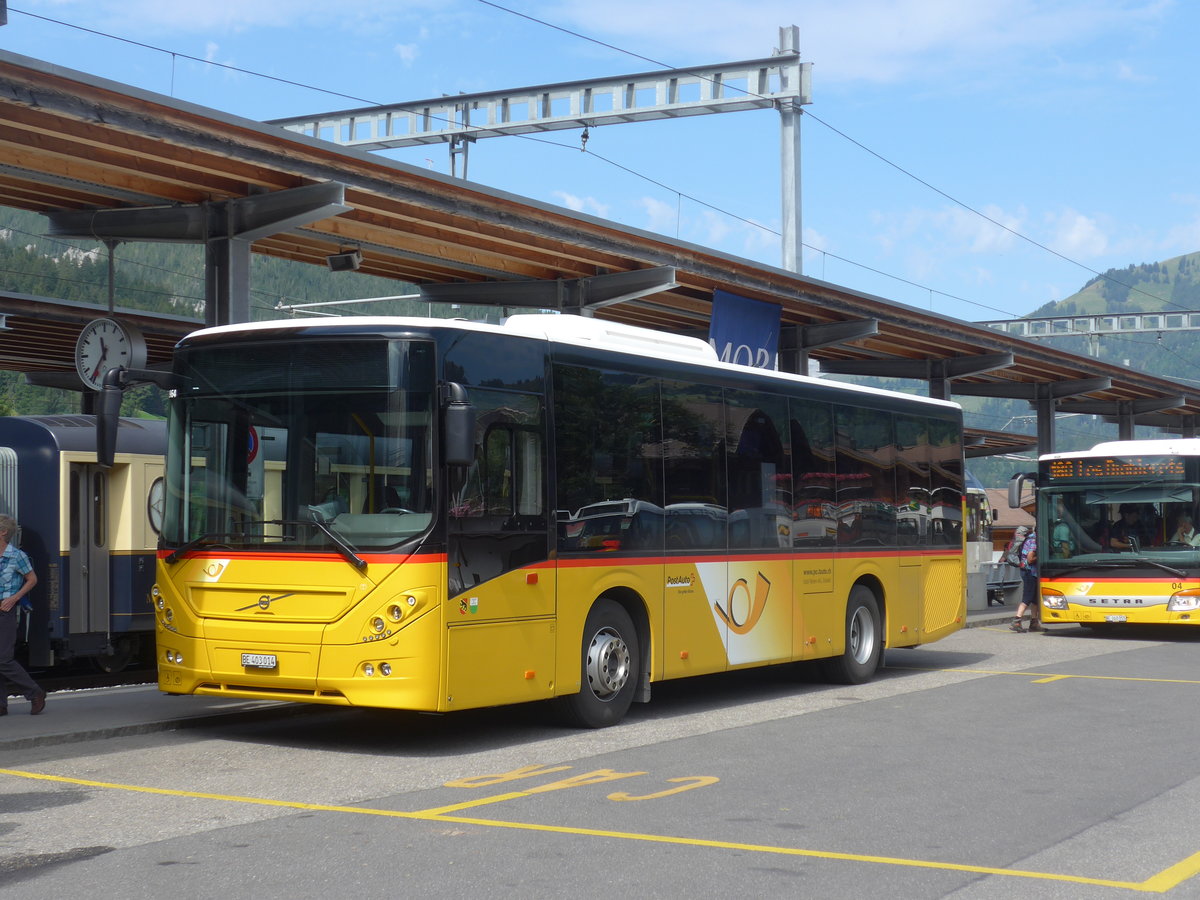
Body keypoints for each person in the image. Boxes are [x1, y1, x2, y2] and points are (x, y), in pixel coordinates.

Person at [0, 514, 45, 715]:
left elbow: (32, 579)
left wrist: (14, 598)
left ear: (3, 532)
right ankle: (1, 704)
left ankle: (35, 693)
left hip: (6, 611)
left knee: (3, 658)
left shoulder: (17, 556)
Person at [1010, 524, 1043, 633]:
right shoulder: (1034, 540)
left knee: (1035, 598)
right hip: (1029, 572)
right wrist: (1042, 556)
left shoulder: (1031, 538)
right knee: (1028, 597)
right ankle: (1017, 620)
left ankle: (1034, 623)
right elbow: (1030, 559)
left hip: (1030, 572)